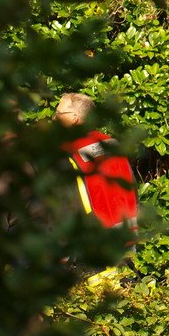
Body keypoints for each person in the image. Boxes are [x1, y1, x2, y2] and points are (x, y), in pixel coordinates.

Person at [55, 93, 137, 234]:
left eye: (58, 113)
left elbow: (66, 203)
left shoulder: (67, 152)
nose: (54, 118)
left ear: (74, 118)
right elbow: (132, 185)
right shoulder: (112, 143)